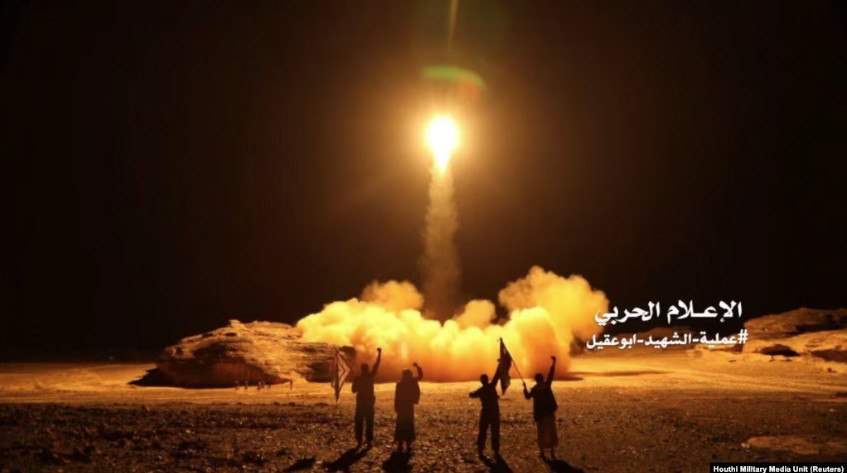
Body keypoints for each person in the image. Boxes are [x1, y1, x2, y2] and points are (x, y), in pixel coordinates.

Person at [523, 356, 559, 459]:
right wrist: (554, 362)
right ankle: (552, 451)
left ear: (536, 380)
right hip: (549, 413)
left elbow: (527, 397)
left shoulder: (535, 389)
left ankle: (542, 452)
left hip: (540, 415)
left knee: (541, 432)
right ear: (542, 379)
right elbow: (551, 374)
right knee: (551, 431)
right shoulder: (547, 385)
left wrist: (524, 388)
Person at [469, 361, 503, 458]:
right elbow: (497, 375)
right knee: (495, 431)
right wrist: (500, 364)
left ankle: (480, 450)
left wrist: (471, 392)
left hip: (485, 412)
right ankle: (495, 450)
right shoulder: (492, 386)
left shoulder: (481, 390)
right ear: (487, 380)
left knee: (483, 431)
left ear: (481, 381)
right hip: (494, 412)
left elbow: (472, 395)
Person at [351, 347, 381, 448]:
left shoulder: (358, 379)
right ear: (367, 369)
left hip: (361, 404)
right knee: (369, 423)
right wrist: (379, 354)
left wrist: (359, 386)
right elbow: (376, 366)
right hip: (368, 404)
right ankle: (368, 441)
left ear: (361, 369)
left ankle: (359, 441)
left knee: (359, 423)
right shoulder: (370, 377)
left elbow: (353, 390)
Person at [393, 362, 423, 452]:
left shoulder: (400, 383)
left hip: (402, 407)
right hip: (408, 406)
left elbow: (397, 396)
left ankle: (401, 445)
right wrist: (418, 367)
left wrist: (396, 406)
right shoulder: (411, 382)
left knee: (401, 425)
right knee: (408, 425)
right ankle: (407, 445)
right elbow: (420, 376)